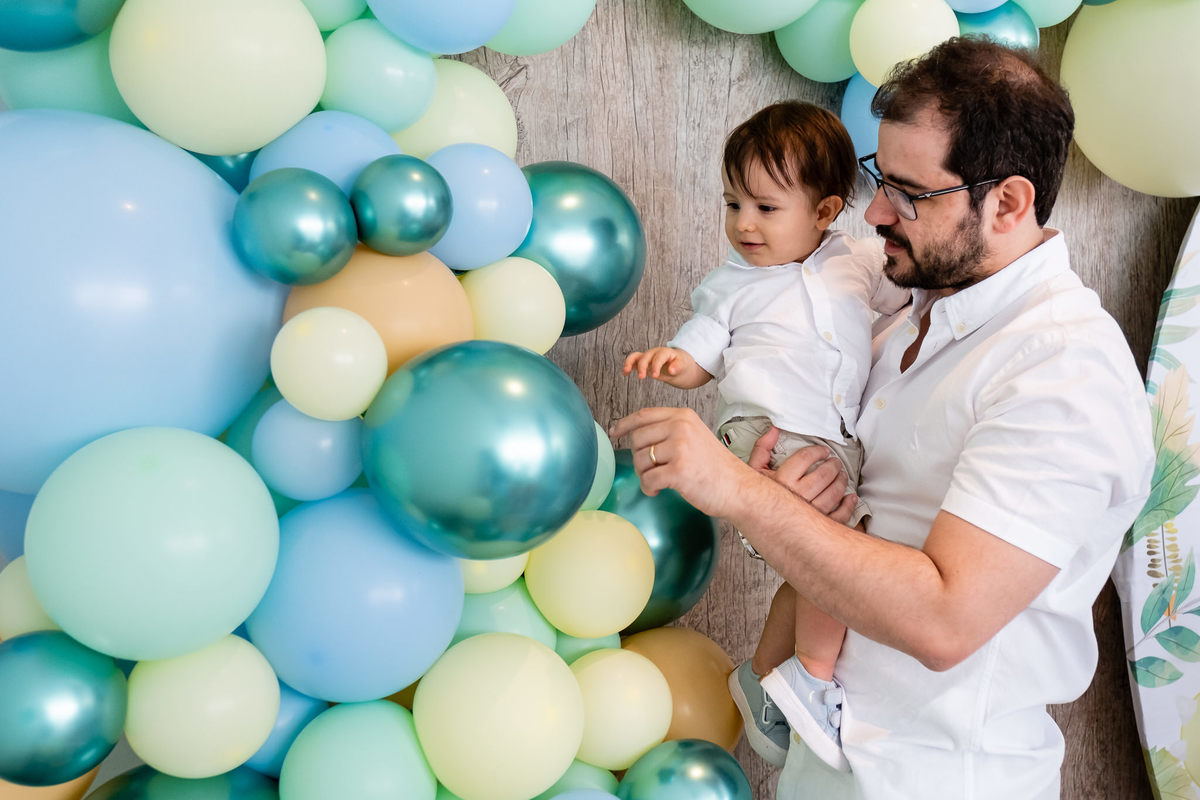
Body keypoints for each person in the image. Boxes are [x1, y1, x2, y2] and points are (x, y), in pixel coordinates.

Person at [610, 37, 1153, 800]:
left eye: (909, 193)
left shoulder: (1061, 371)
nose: (874, 212)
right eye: (877, 178)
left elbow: (944, 619)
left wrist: (737, 490)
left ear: (1008, 202)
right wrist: (796, 501)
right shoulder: (899, 318)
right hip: (827, 764)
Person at [622, 100, 908, 771]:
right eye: (732, 204)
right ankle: (808, 677)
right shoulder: (731, 285)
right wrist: (673, 362)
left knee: (822, 562)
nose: (743, 224)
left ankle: (764, 676)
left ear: (825, 210)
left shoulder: (858, 261)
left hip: (834, 444)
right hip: (763, 431)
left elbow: (906, 298)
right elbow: (703, 349)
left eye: (765, 208)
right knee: (836, 555)